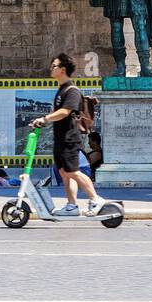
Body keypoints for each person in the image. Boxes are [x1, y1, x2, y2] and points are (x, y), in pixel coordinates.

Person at [30, 52, 106, 216]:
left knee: (73, 171)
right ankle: (72, 206)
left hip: (69, 139)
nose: (51, 68)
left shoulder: (72, 91)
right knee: (64, 172)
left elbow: (65, 111)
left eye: (54, 66)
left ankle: (95, 199)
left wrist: (45, 119)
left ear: (62, 69)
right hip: (61, 139)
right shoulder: (61, 90)